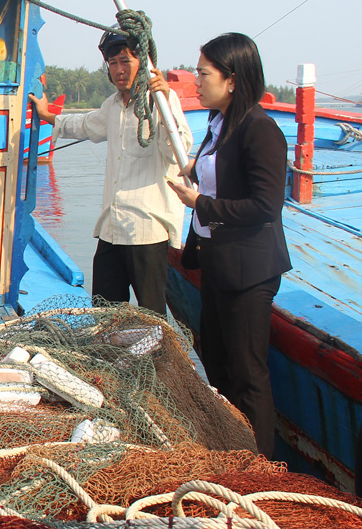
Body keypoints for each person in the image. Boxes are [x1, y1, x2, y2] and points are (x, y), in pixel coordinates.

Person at [168, 33, 292, 458]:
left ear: (233, 80)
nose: (196, 81)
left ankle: (260, 464)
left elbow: (265, 205)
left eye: (204, 73)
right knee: (217, 366)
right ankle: (229, 451)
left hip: (250, 271)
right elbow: (220, 174)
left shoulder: (261, 129)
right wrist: (195, 172)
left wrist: (200, 203)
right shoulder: (219, 125)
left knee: (248, 374)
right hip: (218, 264)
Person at [29, 29, 193, 316]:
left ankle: (155, 361)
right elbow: (83, 125)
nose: (119, 70)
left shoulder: (163, 104)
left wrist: (164, 101)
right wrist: (46, 115)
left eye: (125, 61)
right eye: (113, 63)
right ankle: (112, 359)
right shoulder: (113, 105)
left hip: (147, 229)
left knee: (150, 315)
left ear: (144, 64)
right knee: (104, 309)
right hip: (112, 226)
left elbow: (178, 150)